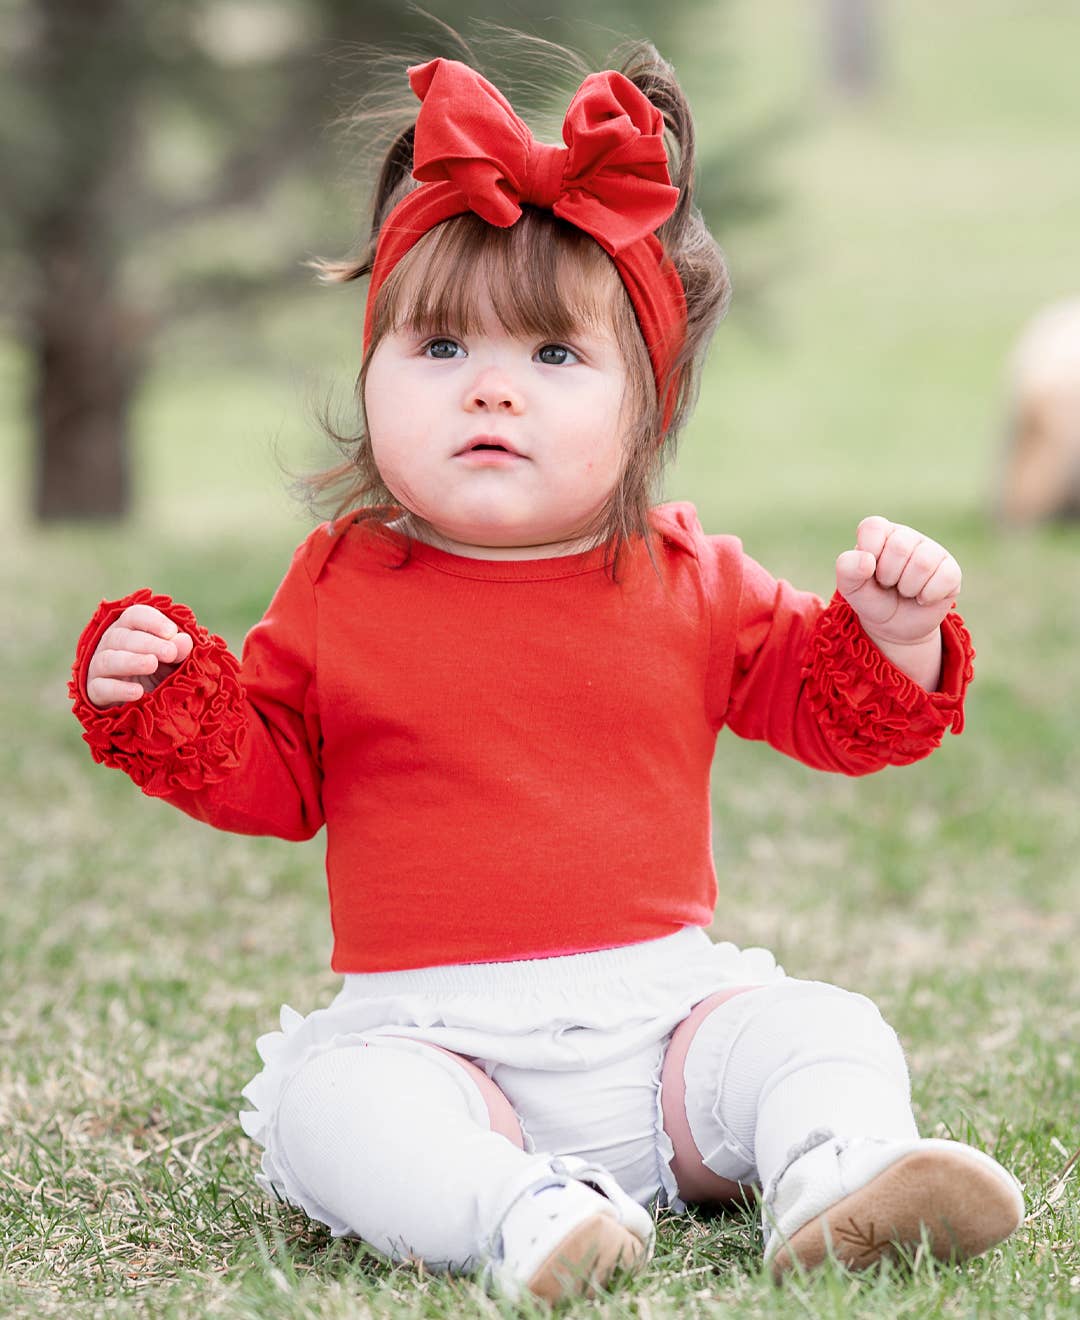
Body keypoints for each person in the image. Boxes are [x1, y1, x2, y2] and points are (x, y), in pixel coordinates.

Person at [69, 44, 1024, 1303]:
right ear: (371, 376)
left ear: (648, 405)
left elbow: (840, 715)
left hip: (667, 1033)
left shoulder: (690, 578)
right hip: (438, 1043)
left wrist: (895, 635)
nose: (493, 392)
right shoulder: (340, 585)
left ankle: (833, 1174)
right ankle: (518, 1212)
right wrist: (170, 692)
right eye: (443, 349)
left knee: (820, 1026)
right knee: (335, 1112)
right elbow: (275, 775)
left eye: (553, 359)